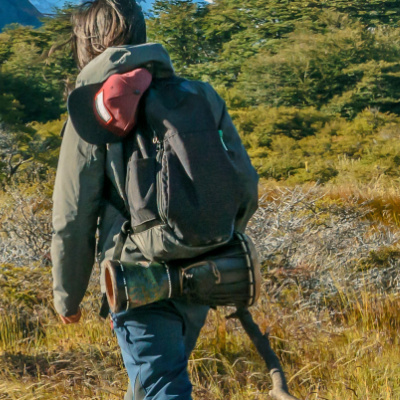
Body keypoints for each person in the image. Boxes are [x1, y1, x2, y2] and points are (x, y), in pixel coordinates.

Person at [48, 1, 258, 399]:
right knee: (153, 383)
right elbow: (245, 182)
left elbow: (72, 216)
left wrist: (67, 297)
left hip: (136, 272)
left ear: (86, 41)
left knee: (160, 385)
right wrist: (219, 238)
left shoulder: (92, 111)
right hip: (204, 267)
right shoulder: (200, 95)